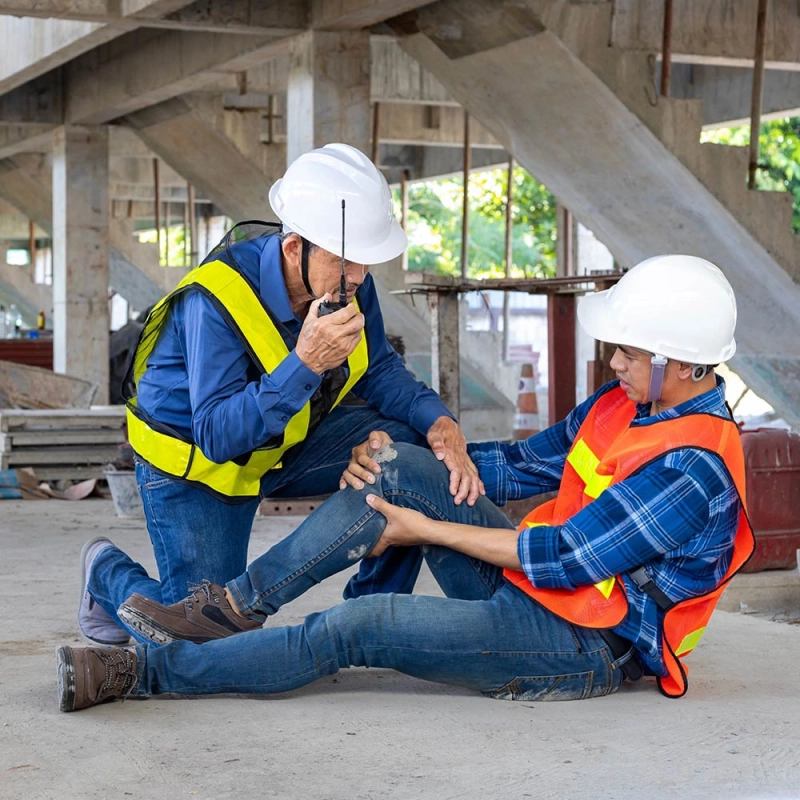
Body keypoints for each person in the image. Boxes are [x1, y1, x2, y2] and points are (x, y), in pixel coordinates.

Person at [58, 254, 755, 712]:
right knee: (397, 466)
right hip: (541, 586)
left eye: (630, 353)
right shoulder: (623, 404)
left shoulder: (692, 468)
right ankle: (233, 607)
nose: (614, 363)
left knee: (359, 628)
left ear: (682, 364)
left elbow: (566, 556)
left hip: (582, 643)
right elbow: (520, 468)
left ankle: (147, 672)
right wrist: (423, 448)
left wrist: (419, 528)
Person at [78, 142, 481, 648]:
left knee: (412, 455)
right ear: (295, 247)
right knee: (201, 639)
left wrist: (438, 421)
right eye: (346, 261)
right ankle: (105, 571)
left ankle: (368, 613)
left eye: (366, 262)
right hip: (200, 465)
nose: (358, 276)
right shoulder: (215, 300)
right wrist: (306, 363)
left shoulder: (347, 282)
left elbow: (377, 369)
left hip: (284, 443)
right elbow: (219, 435)